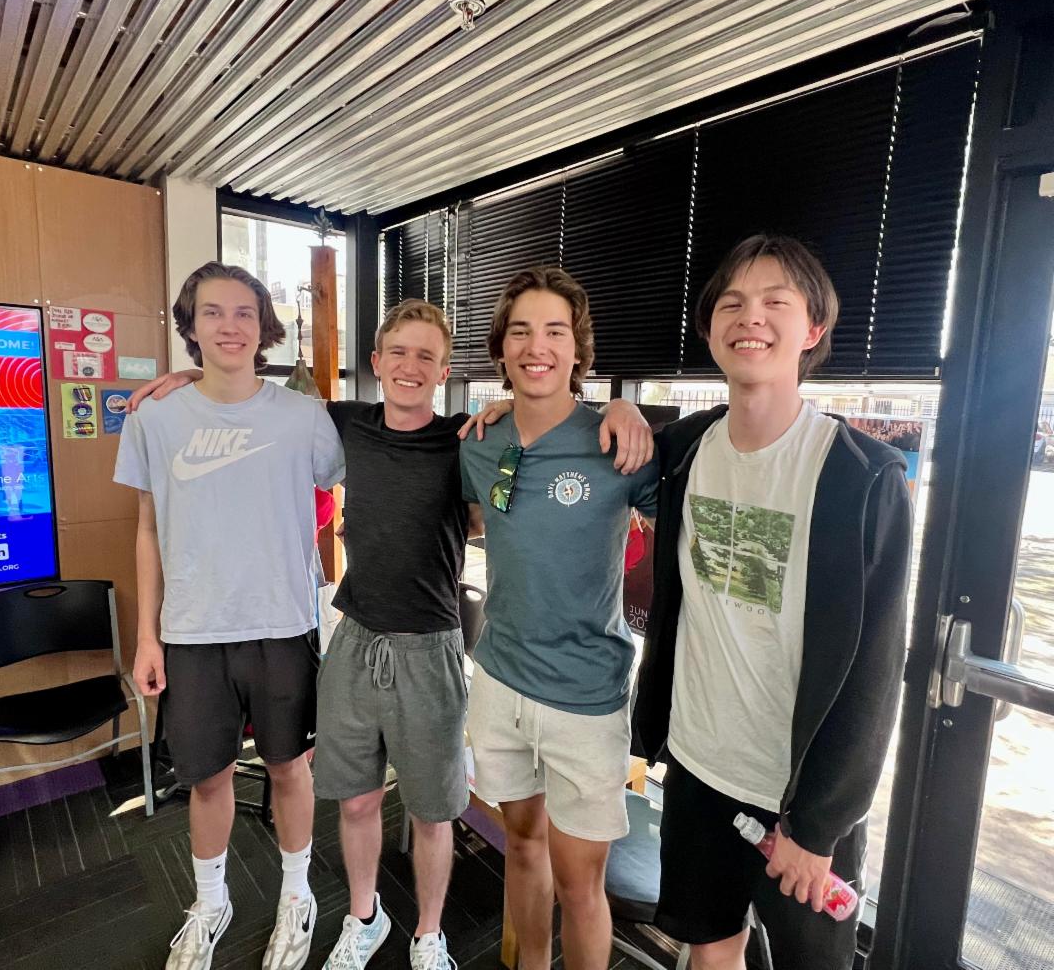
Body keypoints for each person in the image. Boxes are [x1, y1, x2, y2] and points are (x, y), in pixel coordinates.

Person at [130, 297, 653, 970]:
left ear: (444, 372)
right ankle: (364, 916)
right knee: (356, 803)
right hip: (355, 638)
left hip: (432, 645)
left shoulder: (468, 438)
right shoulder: (342, 424)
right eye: (398, 353)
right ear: (376, 362)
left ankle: (429, 934)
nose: (410, 366)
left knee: (433, 811)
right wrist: (191, 376)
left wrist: (620, 407)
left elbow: (531, 431)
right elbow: (253, 401)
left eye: (426, 356)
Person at [631, 234, 913, 970]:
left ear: (812, 329)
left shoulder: (861, 476)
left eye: (774, 302)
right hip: (697, 765)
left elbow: (877, 670)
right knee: (710, 949)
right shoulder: (683, 449)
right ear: (709, 329)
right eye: (731, 302)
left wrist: (818, 828)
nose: (749, 317)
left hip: (799, 794)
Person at [114, 261, 345, 970]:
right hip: (192, 631)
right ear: (189, 325)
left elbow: (344, 484)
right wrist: (147, 636)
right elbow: (147, 529)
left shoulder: (302, 417)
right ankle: (211, 902)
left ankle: (297, 895)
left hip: (282, 625)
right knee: (208, 777)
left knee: (290, 768)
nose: (230, 326)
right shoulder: (154, 417)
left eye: (245, 312)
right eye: (212, 312)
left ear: (264, 326)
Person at [458, 266, 660, 970]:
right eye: (520, 331)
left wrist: (628, 407)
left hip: (586, 697)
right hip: (500, 681)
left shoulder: (618, 443)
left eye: (554, 331)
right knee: (520, 846)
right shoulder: (479, 440)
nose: (536, 346)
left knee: (580, 886)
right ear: (501, 348)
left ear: (578, 349)